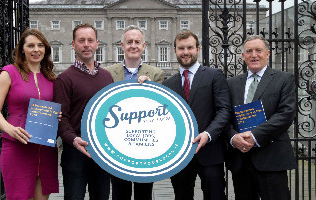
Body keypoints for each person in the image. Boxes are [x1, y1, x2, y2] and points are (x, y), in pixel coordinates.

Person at [0, 28, 59, 200]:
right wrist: (9, 128)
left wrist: (58, 116)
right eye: (31, 45)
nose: (36, 50)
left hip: (45, 148)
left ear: (46, 49)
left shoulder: (51, 77)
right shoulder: (9, 73)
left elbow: (55, 107)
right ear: (22, 49)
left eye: (40, 45)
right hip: (17, 144)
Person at [226, 35, 296, 200]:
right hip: (241, 161)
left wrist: (254, 136)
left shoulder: (284, 79)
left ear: (268, 54)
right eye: (249, 51)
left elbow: (286, 114)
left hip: (272, 158)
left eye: (259, 50)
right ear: (243, 56)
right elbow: (224, 115)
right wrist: (232, 137)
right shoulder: (232, 83)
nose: (254, 55)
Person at [163, 30, 231, 200]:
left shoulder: (214, 75)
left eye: (190, 47)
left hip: (210, 151)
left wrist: (208, 134)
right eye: (181, 48)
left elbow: (224, 110)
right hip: (179, 156)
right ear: (175, 50)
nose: (185, 52)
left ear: (198, 49)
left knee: (215, 196)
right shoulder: (168, 84)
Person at [53, 23, 113, 200]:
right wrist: (73, 139)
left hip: (102, 152)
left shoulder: (107, 77)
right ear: (73, 45)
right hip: (75, 152)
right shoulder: (64, 79)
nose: (86, 44)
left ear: (96, 44)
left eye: (90, 40)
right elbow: (61, 118)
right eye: (81, 41)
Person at [104, 25, 164, 200]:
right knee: (119, 193)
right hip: (116, 145)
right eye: (129, 42)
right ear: (122, 46)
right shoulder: (107, 73)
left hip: (145, 145)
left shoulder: (156, 74)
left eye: (137, 42)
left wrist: (152, 88)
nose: (133, 45)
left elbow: (161, 111)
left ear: (144, 46)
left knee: (144, 194)